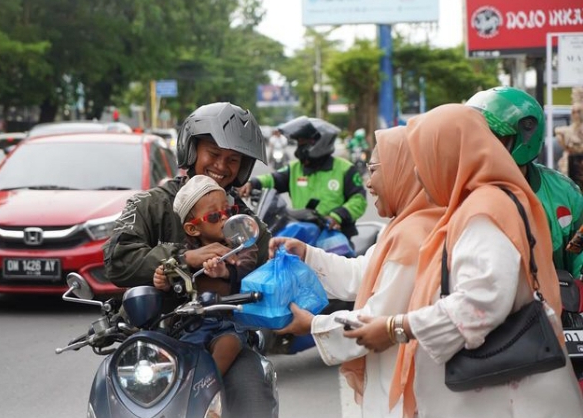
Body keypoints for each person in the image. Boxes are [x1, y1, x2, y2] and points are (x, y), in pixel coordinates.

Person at [347, 104, 583, 418]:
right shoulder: (478, 205)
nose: (417, 173)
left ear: (448, 157)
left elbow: (481, 301)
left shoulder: (483, 212)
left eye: (422, 160)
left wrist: (396, 328)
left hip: (504, 398)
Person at [102, 101, 277, 418]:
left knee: (254, 402)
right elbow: (117, 260)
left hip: (224, 339)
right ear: (192, 149)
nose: (222, 166)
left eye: (233, 159)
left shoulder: (247, 223)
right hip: (154, 339)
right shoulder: (150, 205)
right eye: (213, 154)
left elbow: (271, 271)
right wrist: (185, 258)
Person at [268, 125, 444, 418]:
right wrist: (307, 253)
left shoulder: (414, 236)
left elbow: (376, 317)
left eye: (374, 170)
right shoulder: (401, 227)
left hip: (411, 388)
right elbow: (360, 273)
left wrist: (313, 325)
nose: (369, 183)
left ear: (403, 171)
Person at [466, 87, 583, 279]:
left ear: (526, 132)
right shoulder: (458, 189)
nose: (479, 145)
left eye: (492, 136)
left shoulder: (564, 191)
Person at [153, 175, 257, 376]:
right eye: (214, 216)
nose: (225, 217)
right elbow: (176, 283)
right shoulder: (187, 253)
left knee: (229, 344)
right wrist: (163, 281)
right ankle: (184, 386)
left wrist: (226, 271)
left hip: (229, 320)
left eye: (228, 211)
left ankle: (209, 382)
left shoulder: (242, 244)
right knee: (180, 355)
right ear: (192, 229)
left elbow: (248, 265)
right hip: (192, 323)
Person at [239, 115, 367, 241]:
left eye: (302, 143)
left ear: (318, 142)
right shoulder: (294, 168)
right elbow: (273, 179)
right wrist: (251, 183)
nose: (299, 149)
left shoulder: (345, 169)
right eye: (298, 143)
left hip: (335, 234)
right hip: (303, 233)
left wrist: (337, 216)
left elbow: (359, 200)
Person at [556, 103, 583, 178]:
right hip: (571, 162)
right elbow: (559, 132)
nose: (576, 114)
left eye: (578, 111)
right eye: (574, 112)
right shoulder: (568, 130)